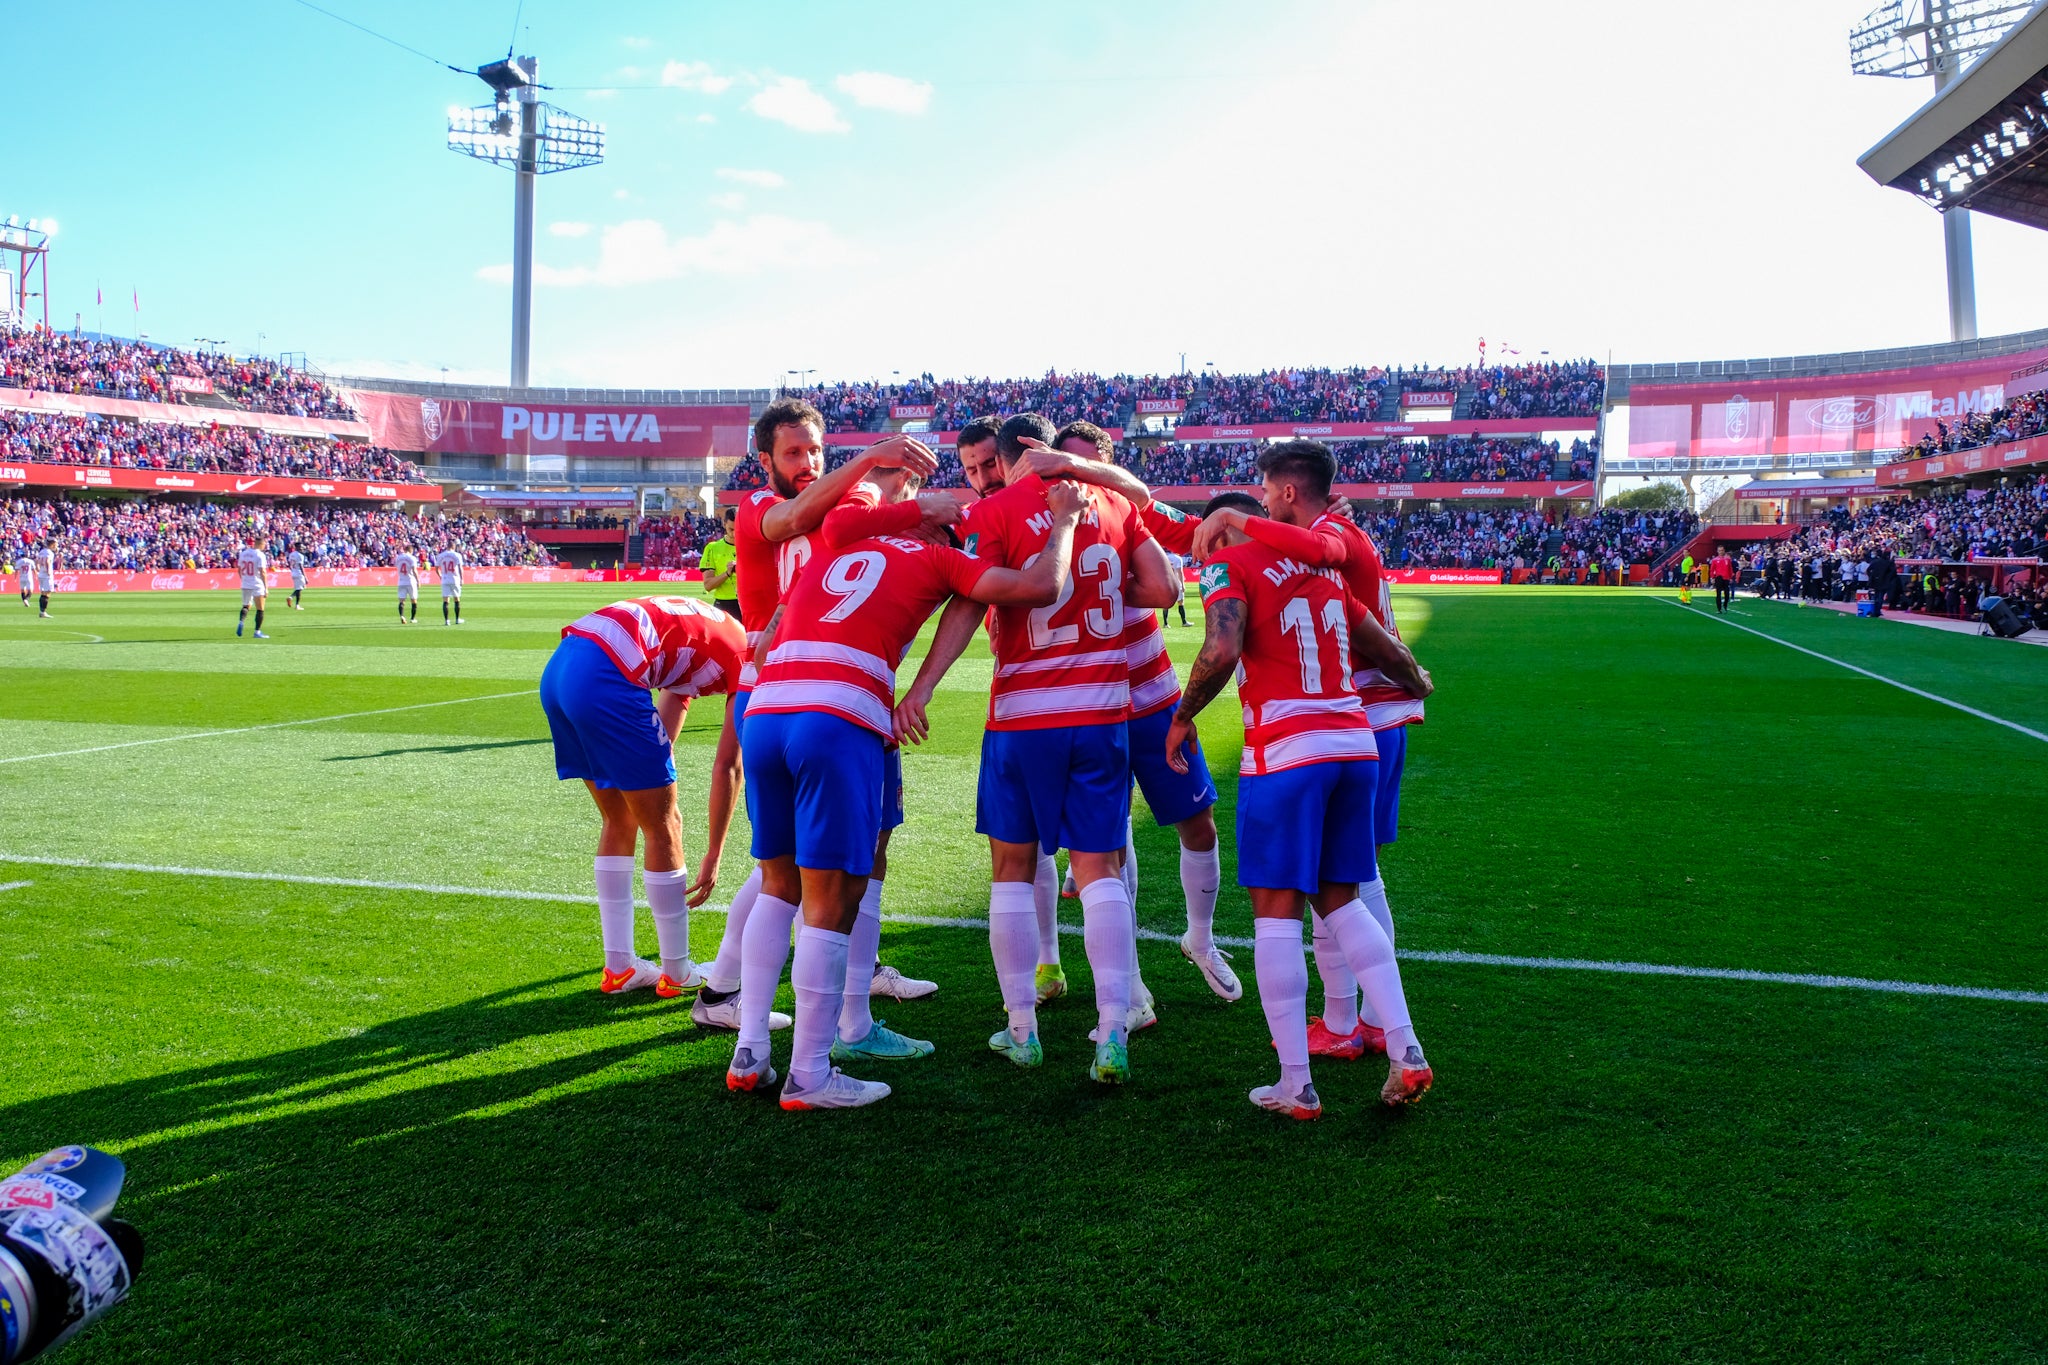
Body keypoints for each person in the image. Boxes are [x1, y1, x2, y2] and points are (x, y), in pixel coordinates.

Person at [729, 474, 1082, 1110]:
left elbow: (825, 542)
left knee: (777, 888)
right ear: (938, 529)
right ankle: (809, 1075)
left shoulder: (839, 549)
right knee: (832, 900)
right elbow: (1040, 587)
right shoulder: (941, 556)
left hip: (766, 708)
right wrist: (1064, 522)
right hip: (836, 716)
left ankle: (750, 1050)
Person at [895, 413, 1180, 1085]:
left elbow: (967, 603)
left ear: (1012, 453)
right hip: (1103, 713)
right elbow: (1165, 588)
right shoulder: (1108, 500)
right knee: (1102, 868)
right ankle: (1114, 1029)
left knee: (1012, 869)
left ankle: (1022, 1028)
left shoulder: (997, 511)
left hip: (1023, 717)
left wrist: (924, 686)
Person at [1167, 463, 1437, 1117]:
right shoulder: (1321, 571)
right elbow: (1384, 648)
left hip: (1286, 754)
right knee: (1343, 899)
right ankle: (1406, 1049)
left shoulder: (1231, 566)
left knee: (1276, 911)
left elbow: (1221, 649)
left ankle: (1296, 1083)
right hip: (1353, 746)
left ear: (1220, 528)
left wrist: (1181, 718)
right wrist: (1419, 681)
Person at [692, 401, 942, 1034]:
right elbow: (796, 521)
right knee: (786, 865)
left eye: (815, 450)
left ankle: (851, 970)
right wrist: (872, 464)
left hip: (842, 688)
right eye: (793, 453)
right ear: (765, 460)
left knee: (866, 842)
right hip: (777, 688)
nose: (807, 464)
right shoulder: (758, 507)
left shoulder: (846, 502)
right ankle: (731, 988)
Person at [1024, 425, 1237, 1012]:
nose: (1077, 477)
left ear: (1109, 466)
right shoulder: (1044, 518)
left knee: (1200, 821)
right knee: (1109, 843)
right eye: (1067, 466)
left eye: (1089, 465)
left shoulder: (1130, 506)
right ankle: (1131, 979)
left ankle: (1201, 937)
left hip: (1154, 694)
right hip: (1092, 704)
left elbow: (1202, 536)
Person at [540, 594, 748, 1000]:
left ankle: (620, 968)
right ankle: (677, 971)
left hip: (562, 665)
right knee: (665, 825)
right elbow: (729, 766)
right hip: (606, 674)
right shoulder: (750, 655)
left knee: (622, 818)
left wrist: (649, 774)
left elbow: (673, 709)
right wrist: (714, 853)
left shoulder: (707, 630)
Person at [700, 510, 740, 618]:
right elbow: (708, 585)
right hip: (724, 605)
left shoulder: (752, 546)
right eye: (731, 529)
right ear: (724, 524)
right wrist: (727, 574)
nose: (734, 533)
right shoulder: (712, 548)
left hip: (748, 603)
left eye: (738, 529)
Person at [235, 539, 270, 639]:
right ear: (261, 544)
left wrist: (244, 580)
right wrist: (266, 587)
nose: (265, 547)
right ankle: (257, 632)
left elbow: (239, 570)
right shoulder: (260, 555)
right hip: (257, 584)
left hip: (245, 583)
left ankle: (241, 621)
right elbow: (262, 571)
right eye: (264, 545)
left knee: (246, 606)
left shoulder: (243, 553)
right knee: (260, 609)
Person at [435, 546, 465, 624]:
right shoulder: (457, 555)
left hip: (445, 579)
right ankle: (457, 619)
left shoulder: (441, 555)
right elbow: (460, 568)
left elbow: (436, 568)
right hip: (455, 579)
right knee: (457, 600)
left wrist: (440, 576)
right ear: (453, 547)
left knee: (445, 601)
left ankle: (447, 621)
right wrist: (462, 579)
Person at [394, 548, 420, 623]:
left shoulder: (398, 557)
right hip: (410, 580)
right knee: (414, 600)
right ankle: (412, 618)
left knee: (402, 601)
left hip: (401, 581)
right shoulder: (412, 558)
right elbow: (414, 570)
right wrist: (418, 580)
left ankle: (402, 615)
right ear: (411, 550)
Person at [1709, 548, 1735, 614]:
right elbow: (1712, 569)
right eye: (1719, 550)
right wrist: (1712, 577)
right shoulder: (1715, 560)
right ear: (1717, 551)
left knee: (1727, 593)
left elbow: (1730, 569)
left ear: (1724, 551)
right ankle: (1719, 608)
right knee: (1718, 593)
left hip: (1726, 578)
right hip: (1718, 577)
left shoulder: (1727, 559)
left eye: (1722, 550)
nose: (1721, 552)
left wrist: (1731, 577)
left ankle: (1725, 605)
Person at [34, 544, 56, 617]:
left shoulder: (41, 551)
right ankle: (43, 612)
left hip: (41, 573)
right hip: (46, 574)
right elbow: (47, 561)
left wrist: (38, 568)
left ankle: (42, 611)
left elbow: (37, 560)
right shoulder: (49, 552)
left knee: (43, 593)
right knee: (47, 593)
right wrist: (48, 571)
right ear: (52, 544)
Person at [286, 546, 308, 610]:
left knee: (299, 588)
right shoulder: (300, 555)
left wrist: (292, 570)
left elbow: (289, 563)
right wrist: (305, 577)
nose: (302, 549)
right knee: (300, 589)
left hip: (293, 573)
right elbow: (301, 566)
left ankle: (292, 598)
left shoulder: (291, 554)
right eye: (301, 548)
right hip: (299, 574)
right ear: (298, 548)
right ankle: (296, 603)